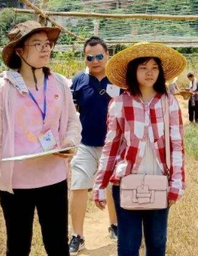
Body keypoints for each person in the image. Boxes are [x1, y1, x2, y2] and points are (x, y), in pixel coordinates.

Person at [0, 21, 82, 256]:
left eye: (48, 44)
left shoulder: (59, 84)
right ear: (19, 51)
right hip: (17, 183)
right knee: (18, 246)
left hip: (53, 177)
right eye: (37, 44)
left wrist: (68, 143)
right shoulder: (2, 88)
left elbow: (72, 122)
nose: (46, 49)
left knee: (57, 244)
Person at [94, 42, 187, 256]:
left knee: (157, 242)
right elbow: (111, 146)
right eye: (143, 67)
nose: (149, 73)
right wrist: (100, 184)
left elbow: (176, 145)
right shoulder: (119, 103)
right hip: (127, 181)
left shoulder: (168, 102)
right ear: (133, 71)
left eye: (154, 67)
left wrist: (177, 184)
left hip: (158, 180)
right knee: (127, 244)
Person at [68, 37, 120, 254]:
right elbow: (70, 111)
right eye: (90, 57)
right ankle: (77, 236)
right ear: (85, 58)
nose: (95, 61)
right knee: (79, 185)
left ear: (107, 54)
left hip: (115, 145)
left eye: (99, 56)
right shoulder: (78, 81)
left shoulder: (120, 78)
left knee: (113, 187)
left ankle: (115, 226)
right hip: (85, 144)